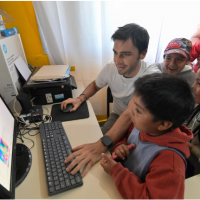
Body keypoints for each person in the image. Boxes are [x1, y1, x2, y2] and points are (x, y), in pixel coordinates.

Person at [100, 73, 195, 199]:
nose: (131, 111)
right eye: (133, 103)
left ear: (163, 124)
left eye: (138, 110)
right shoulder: (144, 126)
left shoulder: (169, 164)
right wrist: (120, 146)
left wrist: (116, 172)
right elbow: (126, 137)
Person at [61, 23, 160, 136]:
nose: (118, 61)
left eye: (126, 54)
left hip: (141, 123)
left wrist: (102, 144)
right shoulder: (110, 68)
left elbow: (131, 112)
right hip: (117, 116)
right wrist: (80, 99)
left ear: (143, 54)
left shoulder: (152, 77)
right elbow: (95, 85)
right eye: (115, 53)